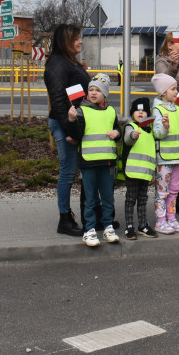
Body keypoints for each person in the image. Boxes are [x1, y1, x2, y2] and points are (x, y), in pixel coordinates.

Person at [44, 24, 91, 237]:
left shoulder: (69, 62)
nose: (81, 41)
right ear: (66, 41)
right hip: (65, 125)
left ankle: (89, 215)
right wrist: (70, 130)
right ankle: (64, 219)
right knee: (68, 172)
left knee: (78, 170)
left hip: (74, 124)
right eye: (77, 38)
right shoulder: (57, 64)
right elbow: (59, 102)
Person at [67, 74, 121, 247]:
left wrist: (117, 133)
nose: (93, 93)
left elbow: (117, 129)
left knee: (108, 198)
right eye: (91, 89)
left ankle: (108, 226)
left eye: (98, 90)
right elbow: (77, 134)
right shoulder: (82, 111)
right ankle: (89, 229)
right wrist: (72, 120)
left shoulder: (111, 111)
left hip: (108, 162)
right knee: (89, 199)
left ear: (105, 94)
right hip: (89, 162)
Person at [153, 31, 179, 217]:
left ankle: (176, 200)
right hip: (170, 116)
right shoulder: (162, 61)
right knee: (168, 163)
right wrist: (174, 66)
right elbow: (164, 83)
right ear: (170, 45)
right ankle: (165, 203)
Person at [151, 73, 179, 234]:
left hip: (178, 157)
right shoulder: (158, 110)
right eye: (173, 89)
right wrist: (165, 127)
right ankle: (160, 221)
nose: (176, 92)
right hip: (164, 158)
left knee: (174, 190)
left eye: (176, 88)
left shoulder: (178, 110)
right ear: (163, 92)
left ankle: (171, 217)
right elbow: (157, 133)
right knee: (162, 191)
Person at [121, 97, 159, 240]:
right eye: (137, 111)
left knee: (143, 199)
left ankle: (143, 225)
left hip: (145, 172)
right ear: (132, 114)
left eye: (143, 111)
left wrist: (153, 172)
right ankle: (129, 226)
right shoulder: (131, 127)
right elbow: (127, 139)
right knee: (130, 199)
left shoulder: (150, 131)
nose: (140, 113)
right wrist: (133, 136)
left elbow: (152, 152)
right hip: (132, 171)